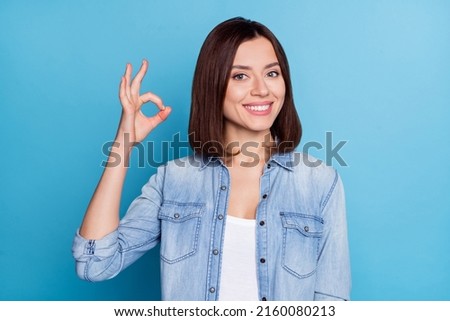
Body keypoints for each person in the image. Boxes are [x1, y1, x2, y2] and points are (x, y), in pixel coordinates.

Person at [72, 17, 351, 301]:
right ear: (213, 85)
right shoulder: (175, 179)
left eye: (272, 73)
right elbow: (94, 265)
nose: (262, 90)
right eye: (240, 76)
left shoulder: (318, 182)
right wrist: (124, 143)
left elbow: (332, 301)